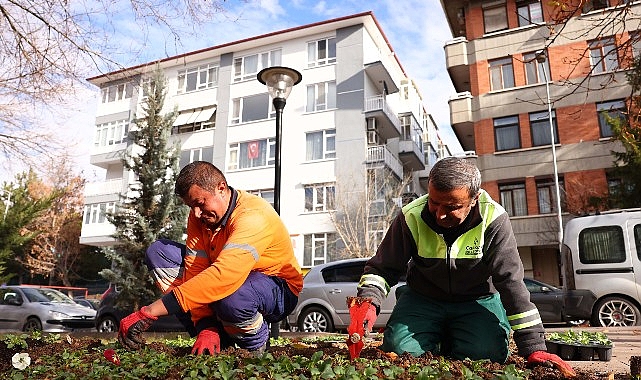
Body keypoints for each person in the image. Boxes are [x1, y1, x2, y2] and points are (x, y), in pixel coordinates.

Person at [347, 157, 575, 376]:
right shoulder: (411, 216)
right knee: (399, 349)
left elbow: (510, 282)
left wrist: (533, 345)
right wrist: (368, 301)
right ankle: (439, 333)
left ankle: (452, 334)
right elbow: (382, 268)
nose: (440, 214)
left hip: (477, 300)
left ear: (474, 198)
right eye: (434, 202)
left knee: (486, 354)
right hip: (423, 299)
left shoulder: (493, 219)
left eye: (452, 206)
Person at [118, 161, 303, 355]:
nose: (196, 213)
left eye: (199, 204)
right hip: (229, 281)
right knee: (159, 253)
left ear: (221, 188)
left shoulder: (253, 216)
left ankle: (255, 347)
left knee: (234, 295)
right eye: (191, 206)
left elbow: (225, 276)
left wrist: (149, 312)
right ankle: (216, 337)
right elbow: (194, 269)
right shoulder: (200, 216)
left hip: (277, 288)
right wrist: (205, 325)